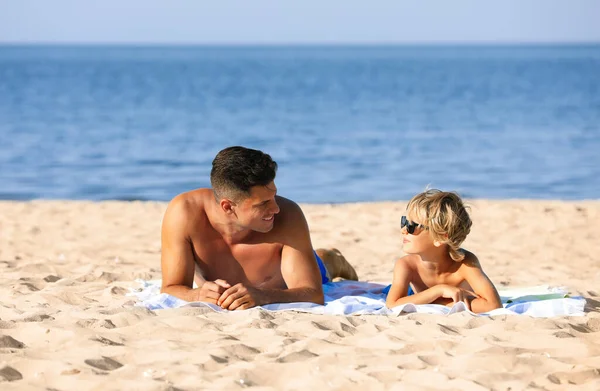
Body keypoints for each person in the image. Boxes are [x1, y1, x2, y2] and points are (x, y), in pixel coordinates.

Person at [160, 146, 357, 310]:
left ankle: (331, 258)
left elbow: (313, 294)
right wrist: (197, 294)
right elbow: (171, 287)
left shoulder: (289, 215)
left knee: (322, 264)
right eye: (262, 203)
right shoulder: (184, 213)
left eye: (274, 196)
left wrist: (263, 296)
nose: (276, 208)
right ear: (228, 207)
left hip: (284, 281)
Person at [385, 189, 502, 313]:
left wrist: (434, 302)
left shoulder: (465, 263)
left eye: (412, 226)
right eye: (404, 221)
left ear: (440, 238)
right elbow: (392, 304)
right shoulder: (406, 265)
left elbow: (493, 305)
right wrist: (439, 290)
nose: (404, 230)